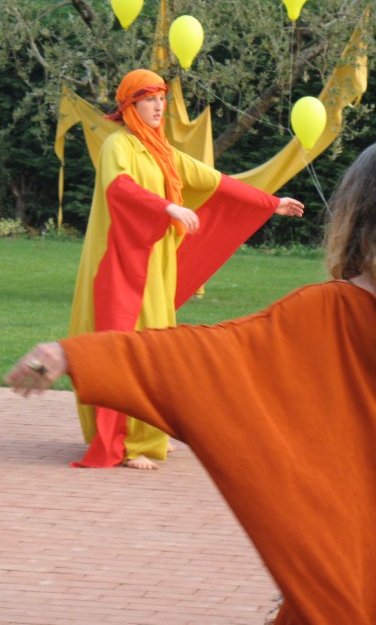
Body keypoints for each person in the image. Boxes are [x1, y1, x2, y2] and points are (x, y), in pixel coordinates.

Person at [7, 132, 376, 623]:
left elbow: (202, 357)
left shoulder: (326, 312)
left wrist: (71, 353)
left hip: (357, 555)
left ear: (357, 216)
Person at [68, 68, 304, 470]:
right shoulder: (118, 145)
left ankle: (148, 431)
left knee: (157, 346)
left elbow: (215, 182)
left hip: (154, 265)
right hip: (121, 264)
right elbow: (120, 188)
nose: (159, 106)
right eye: (149, 99)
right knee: (127, 345)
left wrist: (270, 202)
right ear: (130, 105)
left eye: (161, 98)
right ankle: (127, 442)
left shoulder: (163, 152)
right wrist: (168, 207)